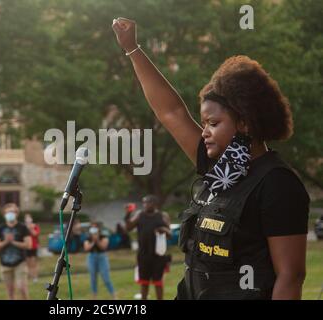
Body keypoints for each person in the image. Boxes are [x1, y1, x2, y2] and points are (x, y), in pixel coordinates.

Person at [112, 18, 309, 300]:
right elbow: (172, 112)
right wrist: (132, 48)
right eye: (204, 123)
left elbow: (291, 277)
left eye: (213, 123)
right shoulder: (221, 169)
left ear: (243, 122)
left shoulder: (277, 184)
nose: (204, 132)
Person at [124, 195, 171, 300]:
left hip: (159, 255)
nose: (145, 204)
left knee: (158, 283)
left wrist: (163, 229)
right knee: (144, 283)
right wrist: (127, 214)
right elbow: (128, 227)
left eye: (148, 202)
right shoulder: (139, 215)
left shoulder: (163, 215)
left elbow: (170, 234)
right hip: (144, 255)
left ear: (154, 204)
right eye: (144, 202)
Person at [0, 203, 32, 300]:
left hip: (20, 263)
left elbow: (29, 245)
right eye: (8, 212)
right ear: (4, 214)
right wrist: (6, 241)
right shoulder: (0, 228)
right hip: (5, 264)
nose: (10, 214)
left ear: (17, 214)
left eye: (12, 212)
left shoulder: (22, 227)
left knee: (22, 288)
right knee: (10, 291)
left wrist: (13, 242)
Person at [84, 222, 116, 299]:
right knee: (93, 278)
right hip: (91, 257)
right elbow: (86, 248)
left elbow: (104, 247)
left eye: (95, 228)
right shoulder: (88, 238)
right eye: (92, 228)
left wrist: (97, 240)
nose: (94, 230)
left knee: (106, 278)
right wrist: (93, 242)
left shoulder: (104, 237)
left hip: (102, 257)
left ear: (99, 229)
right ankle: (94, 297)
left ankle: (114, 296)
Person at [24, 213, 40, 283]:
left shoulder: (35, 226)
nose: (28, 220)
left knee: (33, 263)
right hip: (26, 247)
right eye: (26, 218)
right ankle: (29, 277)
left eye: (29, 218)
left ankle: (35, 277)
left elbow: (35, 234)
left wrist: (30, 228)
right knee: (27, 263)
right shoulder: (23, 227)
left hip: (33, 247)